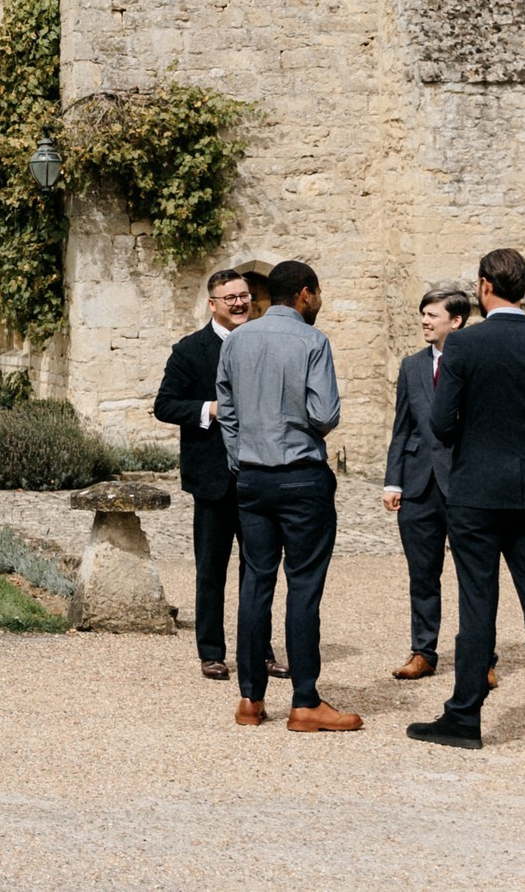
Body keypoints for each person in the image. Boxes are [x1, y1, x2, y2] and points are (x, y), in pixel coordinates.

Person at [408, 248, 525, 757]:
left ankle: (465, 717)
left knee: (477, 602)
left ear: (485, 286)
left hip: (474, 493)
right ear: (524, 288)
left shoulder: (463, 347)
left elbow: (441, 425)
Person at [214, 259, 359, 732]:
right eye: (317, 294)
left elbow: (227, 410)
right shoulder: (313, 341)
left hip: (252, 478)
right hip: (301, 477)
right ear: (304, 293)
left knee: (255, 584)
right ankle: (304, 701)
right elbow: (325, 415)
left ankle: (250, 700)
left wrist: (241, 457)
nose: (319, 302)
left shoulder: (236, 340)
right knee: (304, 588)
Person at [154, 269, 281, 682]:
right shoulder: (190, 351)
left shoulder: (265, 343)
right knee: (211, 569)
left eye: (245, 295)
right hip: (211, 480)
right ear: (213, 304)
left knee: (258, 569)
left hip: (259, 475)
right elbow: (165, 405)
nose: (241, 303)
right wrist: (210, 409)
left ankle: (259, 651)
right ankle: (211, 651)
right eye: (231, 298)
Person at [383, 286, 473, 682]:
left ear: (456, 321)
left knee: (475, 574)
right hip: (418, 484)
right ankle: (423, 651)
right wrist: (393, 481)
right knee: (422, 573)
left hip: (466, 480)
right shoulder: (411, 365)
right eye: (423, 313)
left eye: (432, 315)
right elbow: (401, 426)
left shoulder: (475, 361)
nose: (424, 320)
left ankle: (480, 658)